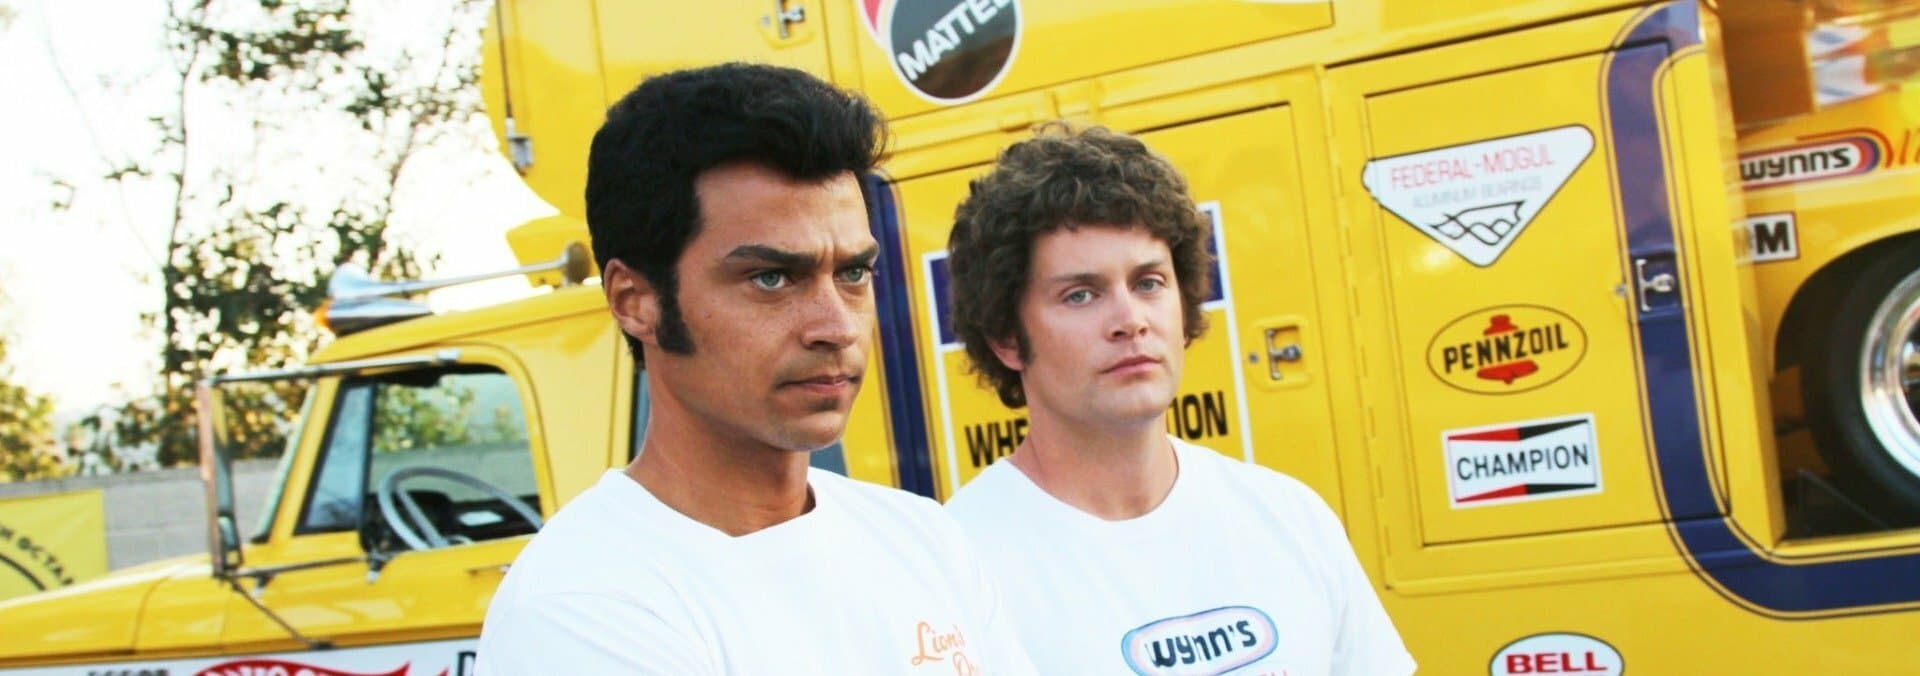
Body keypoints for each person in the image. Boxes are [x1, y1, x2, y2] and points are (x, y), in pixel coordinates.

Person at [477, 63, 1032, 675]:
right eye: (771, 278)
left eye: (852, 273)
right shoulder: (584, 605)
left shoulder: (922, 539)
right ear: (636, 302)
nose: (836, 326)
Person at [942, 124, 1415, 675]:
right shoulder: (957, 566)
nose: (1130, 320)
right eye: (1081, 294)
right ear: (1006, 336)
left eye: (1148, 283)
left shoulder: (1290, 517)